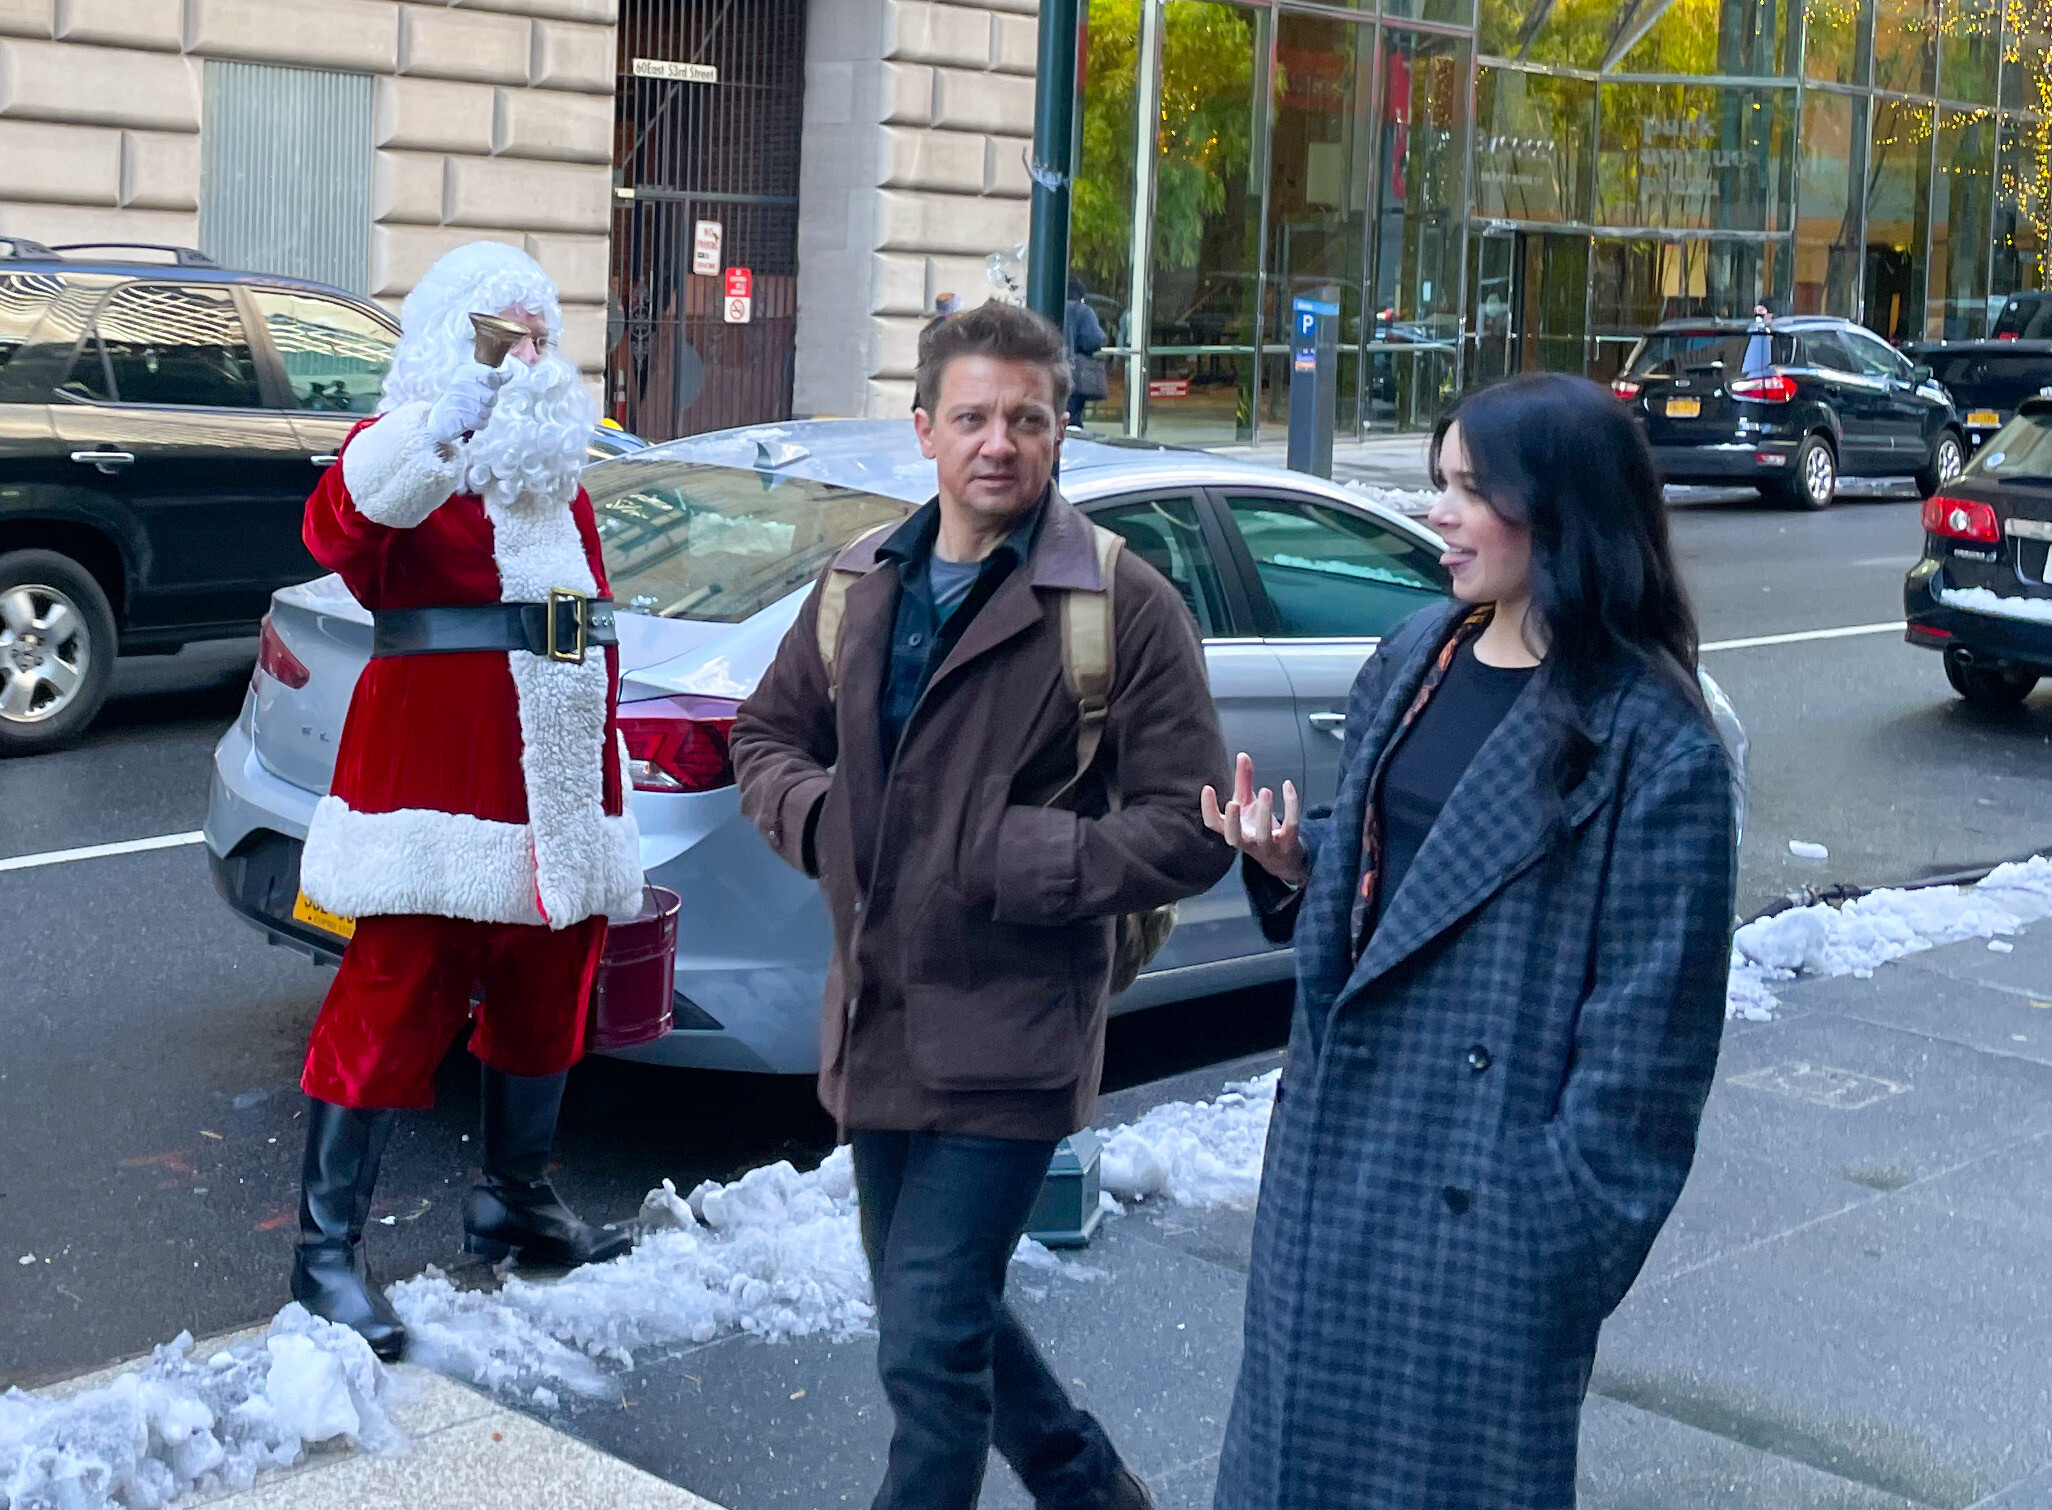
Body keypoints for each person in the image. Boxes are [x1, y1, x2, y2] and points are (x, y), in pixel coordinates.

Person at [1202, 371, 1736, 1510]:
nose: (1435, 512)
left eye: (1469, 490)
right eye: (1438, 481)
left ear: (1562, 510)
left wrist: (1542, 1238)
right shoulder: (1416, 655)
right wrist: (1300, 860)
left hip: (1477, 1231)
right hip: (1330, 1189)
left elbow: (1651, 1059)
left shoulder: (1655, 741)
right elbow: (1406, 877)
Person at [730, 300, 1231, 1510]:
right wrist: (823, 820)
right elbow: (763, 736)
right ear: (924, 430)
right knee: (937, 1310)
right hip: (877, 1019)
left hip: (1014, 1031)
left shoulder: (1120, 603)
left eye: (1026, 418)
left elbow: (1190, 824)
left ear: (1060, 432)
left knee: (927, 1342)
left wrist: (1020, 857)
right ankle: (1093, 1491)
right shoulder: (861, 583)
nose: (998, 441)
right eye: (972, 418)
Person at [290, 241, 643, 1360]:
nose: (524, 357)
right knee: (396, 992)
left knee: (550, 987)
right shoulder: (404, 456)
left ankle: (514, 1198)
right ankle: (324, 1251)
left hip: (559, 775)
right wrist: (441, 427)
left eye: (538, 338)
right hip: (436, 778)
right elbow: (337, 527)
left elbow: (580, 617)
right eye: (500, 337)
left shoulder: (554, 477)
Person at [1064, 275, 1107, 429]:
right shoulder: (1082, 311)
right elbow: (1094, 341)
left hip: (1046, 372)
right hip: (1074, 373)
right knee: (1072, 419)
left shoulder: (1045, 306)